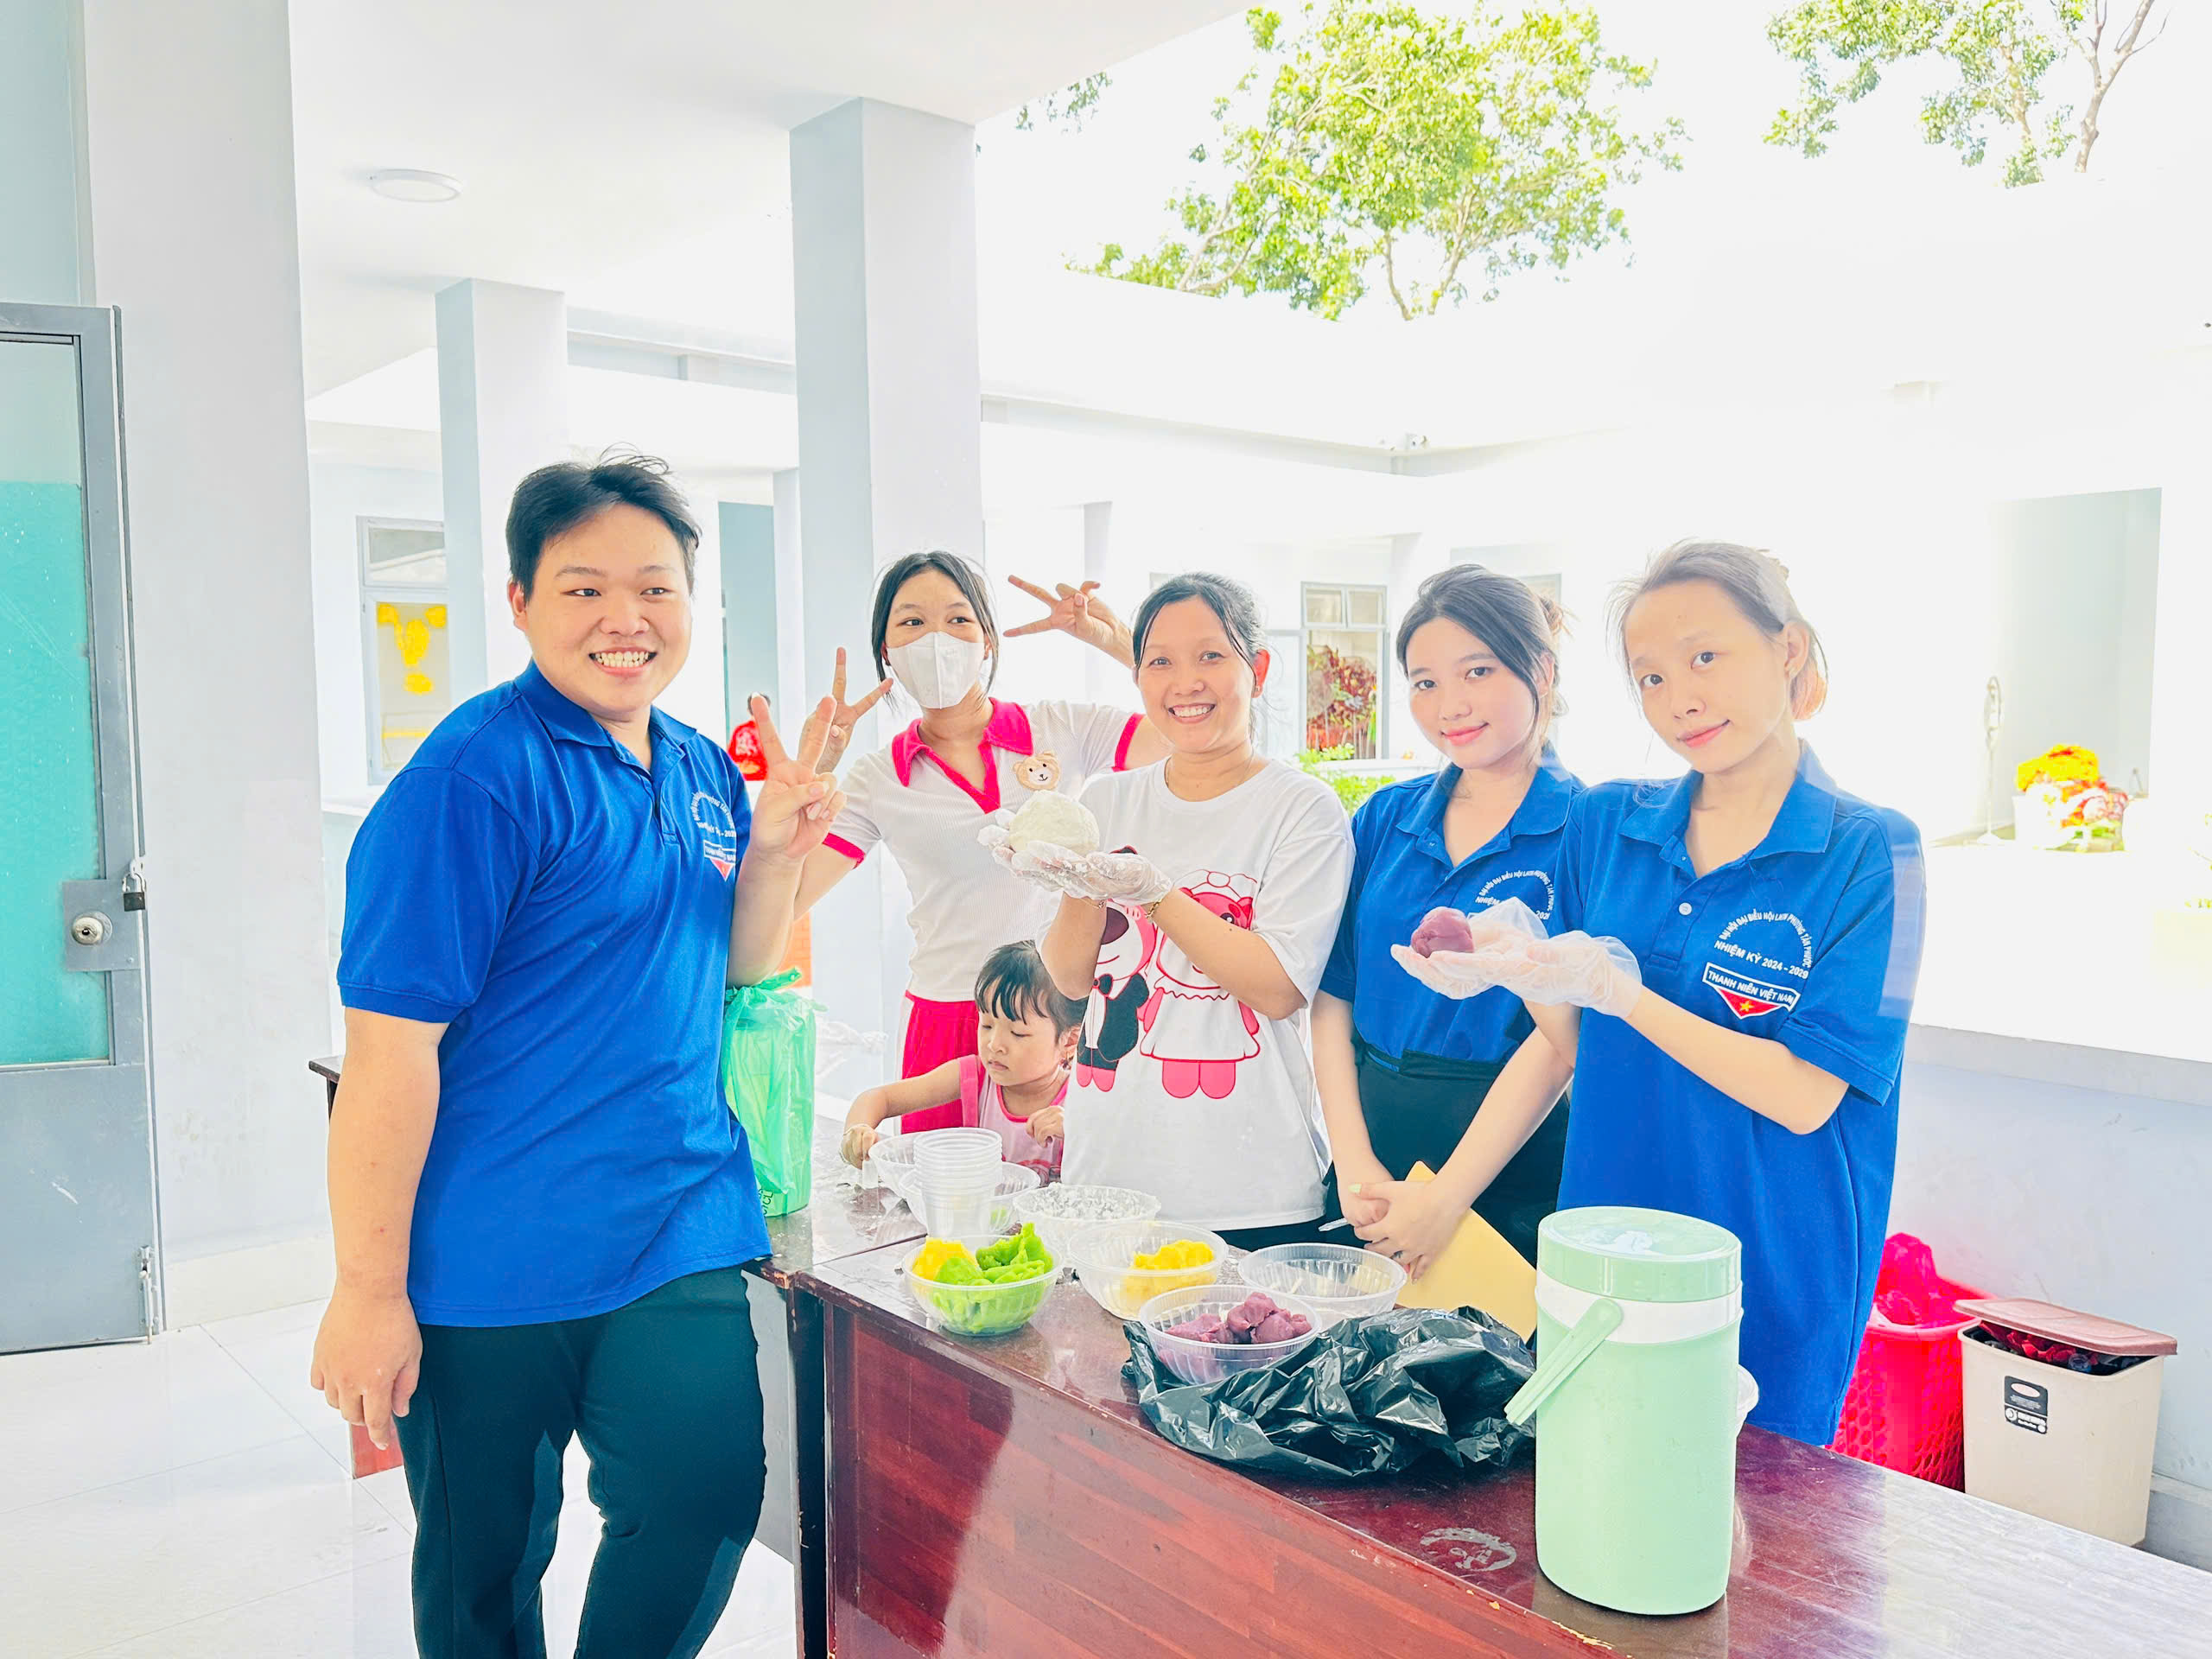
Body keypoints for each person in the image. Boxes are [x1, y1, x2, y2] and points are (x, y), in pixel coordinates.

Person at [310, 454, 845, 1659]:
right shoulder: (471, 780)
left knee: (705, 1500)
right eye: (584, 588)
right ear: (519, 601)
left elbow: (735, 967)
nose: (625, 618)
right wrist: (367, 1291)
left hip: (677, 1221)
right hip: (490, 1248)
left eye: (655, 588)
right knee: (486, 1565)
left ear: (692, 603)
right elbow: (389, 1053)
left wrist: (774, 855)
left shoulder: (700, 768)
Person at [1366, 540, 1925, 1447]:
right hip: (1605, 1249)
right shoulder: (1608, 823)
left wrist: (1622, 993)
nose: (1680, 700)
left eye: (1706, 658)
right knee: (1587, 1489)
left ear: (1787, 649)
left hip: (1768, 1269)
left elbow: (1804, 1095)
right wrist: (1513, 964)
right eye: (1651, 678)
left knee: (1751, 1514)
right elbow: (1573, 1043)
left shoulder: (1870, 850)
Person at [1025, 573, 1355, 1249]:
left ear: (1258, 670)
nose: (1185, 682)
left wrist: (1155, 893)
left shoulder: (1301, 808)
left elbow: (1277, 987)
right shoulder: (1108, 799)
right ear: (1139, 678)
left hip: (1248, 1190)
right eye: (1160, 662)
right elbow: (1069, 979)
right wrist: (1077, 880)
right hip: (1107, 1175)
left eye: (1210, 656)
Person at [793, 555, 1170, 1131]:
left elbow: (1184, 736)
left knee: (1064, 1182)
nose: (936, 640)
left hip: (1057, 1022)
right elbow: (790, 896)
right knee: (935, 1187)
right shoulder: (878, 778)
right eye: (912, 622)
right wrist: (808, 779)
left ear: (987, 640)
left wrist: (1115, 640)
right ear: (887, 652)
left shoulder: (1059, 728)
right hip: (946, 1019)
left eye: (957, 620)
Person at [1313, 566, 1582, 1270]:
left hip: (1510, 1172)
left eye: (1477, 671)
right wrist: (1353, 1163)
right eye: (1425, 682)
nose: (1449, 705)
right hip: (1371, 1165)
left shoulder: (1588, 829)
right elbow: (1334, 993)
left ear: (1542, 671)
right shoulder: (1386, 818)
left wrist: (1446, 1200)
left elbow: (1562, 1040)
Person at [837, 940, 1083, 1176]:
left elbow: (1106, 1157)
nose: (994, 1044)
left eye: (1018, 1033)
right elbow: (880, 1098)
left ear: (1070, 1041)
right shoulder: (975, 1078)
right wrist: (858, 1131)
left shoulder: (1081, 1097)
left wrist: (1075, 1129)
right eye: (987, 1025)